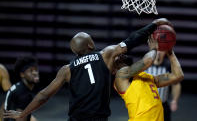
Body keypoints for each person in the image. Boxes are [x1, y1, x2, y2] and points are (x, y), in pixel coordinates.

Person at [3, 18, 172, 121]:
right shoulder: (105, 54)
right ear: (91, 44)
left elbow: (44, 95)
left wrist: (23, 113)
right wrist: (154, 24)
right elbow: (132, 39)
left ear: (74, 52)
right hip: (99, 118)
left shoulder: (67, 69)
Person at [113, 36, 184, 121]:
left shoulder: (146, 76)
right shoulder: (120, 76)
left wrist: (170, 52)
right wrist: (153, 48)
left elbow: (178, 75)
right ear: (113, 70)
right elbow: (149, 60)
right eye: (116, 56)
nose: (120, 54)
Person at [146, 51, 181, 121]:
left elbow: (176, 84)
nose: (159, 52)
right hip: (146, 105)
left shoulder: (168, 67)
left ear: (165, 52)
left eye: (161, 50)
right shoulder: (145, 65)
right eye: (157, 49)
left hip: (162, 105)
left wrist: (174, 100)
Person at [4, 56, 39, 121]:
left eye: (36, 70)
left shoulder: (18, 87)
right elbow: (20, 119)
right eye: (31, 71)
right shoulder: (23, 94)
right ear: (22, 74)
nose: (35, 73)